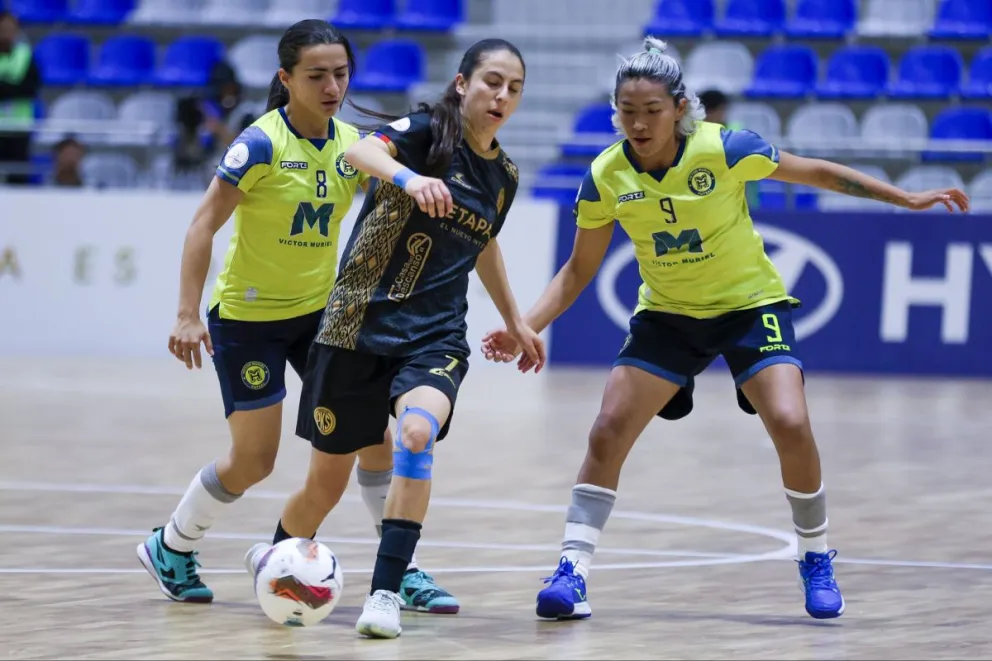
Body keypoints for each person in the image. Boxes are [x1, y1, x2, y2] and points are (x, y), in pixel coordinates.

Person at [481, 37, 970, 623]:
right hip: (668, 314)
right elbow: (579, 269)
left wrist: (906, 198)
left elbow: (814, 171)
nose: (638, 123)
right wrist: (522, 326)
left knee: (790, 422)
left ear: (680, 108)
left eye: (652, 111)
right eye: (628, 111)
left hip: (749, 306)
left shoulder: (724, 149)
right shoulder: (605, 175)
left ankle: (815, 558)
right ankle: (572, 570)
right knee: (608, 429)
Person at [137, 19, 457, 613]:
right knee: (254, 460)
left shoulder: (352, 145)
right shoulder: (259, 144)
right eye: (316, 75)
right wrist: (186, 315)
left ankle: (401, 569)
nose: (332, 85)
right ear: (285, 79)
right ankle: (171, 545)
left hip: (323, 319)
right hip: (247, 322)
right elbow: (202, 224)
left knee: (376, 442)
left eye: (341, 73)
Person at [246, 37, 542, 639]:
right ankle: (277, 562)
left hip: (435, 336)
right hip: (355, 327)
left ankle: (385, 592)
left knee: (414, 434)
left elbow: (483, 244)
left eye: (513, 88)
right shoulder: (425, 131)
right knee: (324, 484)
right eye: (491, 81)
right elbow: (361, 152)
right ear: (462, 84)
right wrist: (409, 178)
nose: (501, 96)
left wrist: (516, 320)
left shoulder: (503, 176)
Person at [0, 10, 40, 186]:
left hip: (18, 127)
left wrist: (4, 87)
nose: (6, 32)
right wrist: (12, 86)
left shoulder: (25, 56)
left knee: (17, 177)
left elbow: (29, 89)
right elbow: (18, 89)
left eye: (10, 28)